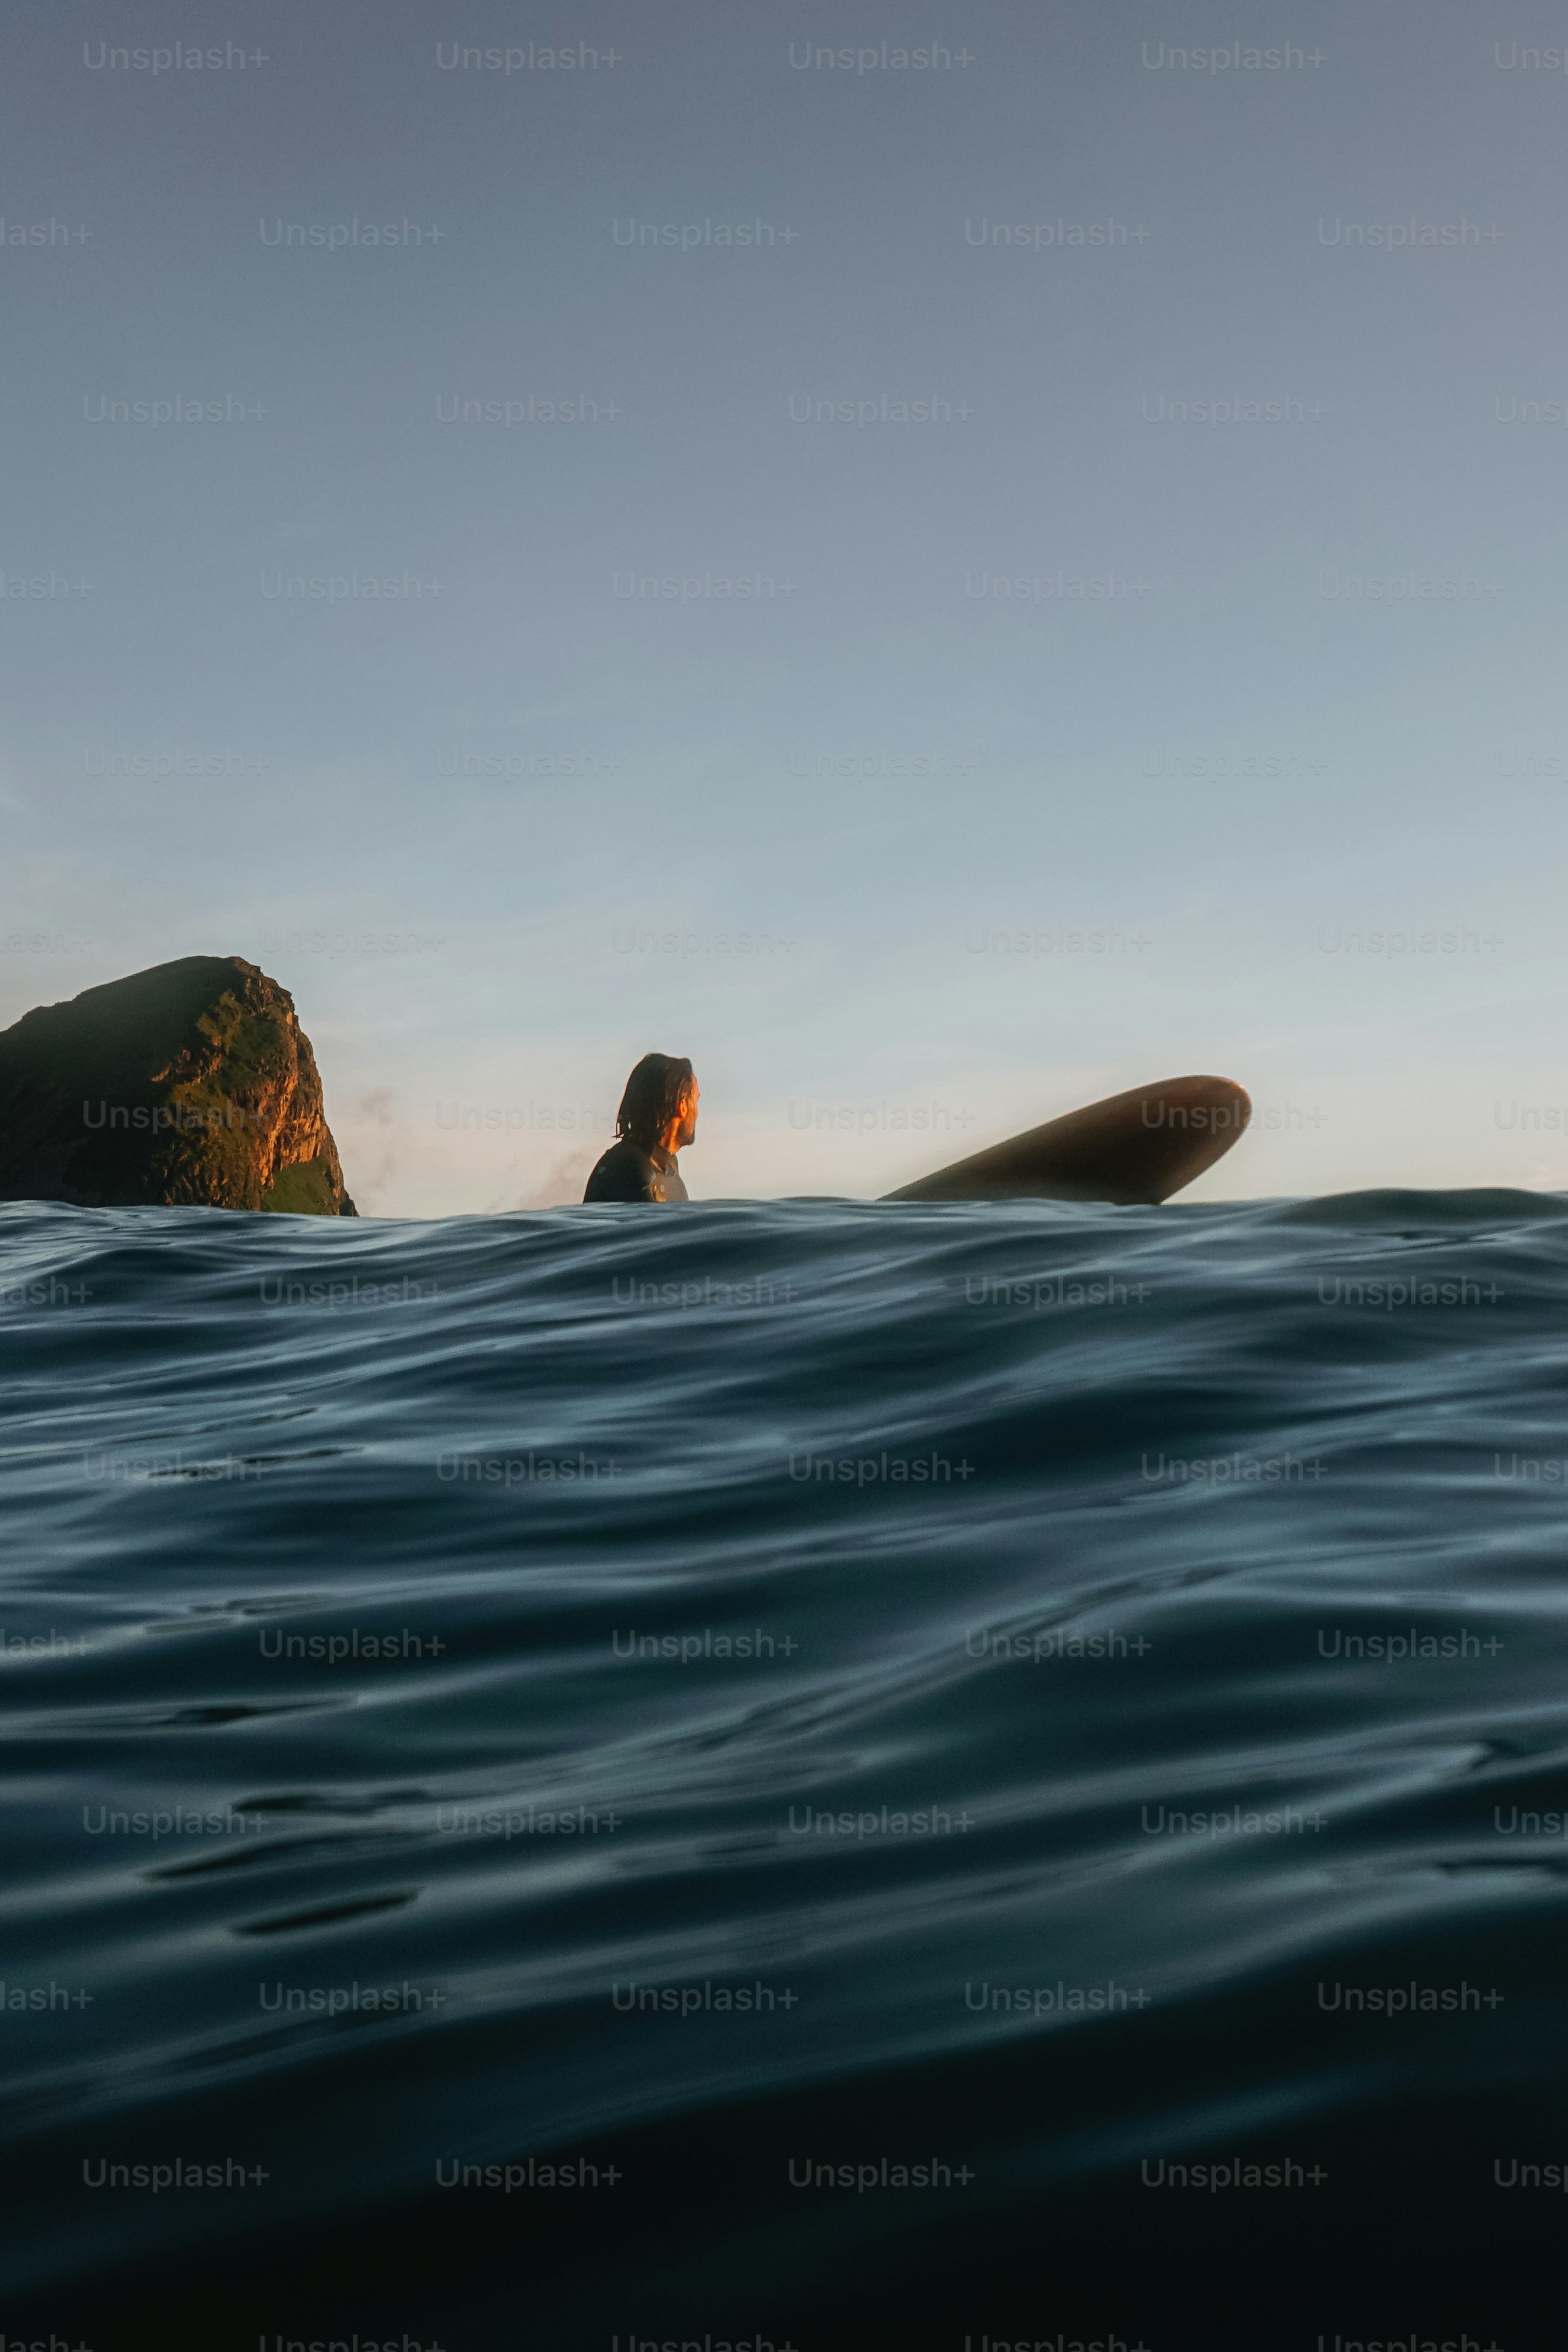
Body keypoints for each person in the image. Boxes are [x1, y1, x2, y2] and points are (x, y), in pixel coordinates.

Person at [582, 1054, 698, 1203]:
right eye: (696, 1100)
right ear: (681, 1107)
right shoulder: (629, 1169)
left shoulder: (665, 1168)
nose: (697, 1111)